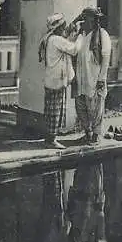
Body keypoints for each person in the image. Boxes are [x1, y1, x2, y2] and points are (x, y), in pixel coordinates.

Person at [38, 13, 81, 149]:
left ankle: (49, 138)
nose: (64, 29)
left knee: (51, 110)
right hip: (56, 80)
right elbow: (74, 49)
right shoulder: (56, 40)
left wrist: (76, 21)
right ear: (57, 28)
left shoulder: (49, 38)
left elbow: (65, 36)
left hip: (51, 79)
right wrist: (80, 36)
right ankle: (51, 140)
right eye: (62, 26)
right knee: (55, 111)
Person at [70, 7, 111, 145]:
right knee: (80, 105)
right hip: (80, 76)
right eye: (84, 18)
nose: (85, 21)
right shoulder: (80, 34)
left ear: (94, 20)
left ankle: (95, 135)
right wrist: (75, 20)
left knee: (96, 107)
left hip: (94, 76)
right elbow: (69, 39)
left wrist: (101, 78)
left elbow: (105, 57)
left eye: (88, 18)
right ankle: (87, 132)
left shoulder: (102, 34)